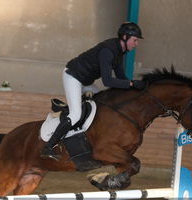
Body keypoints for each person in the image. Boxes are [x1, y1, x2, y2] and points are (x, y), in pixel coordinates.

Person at [41, 22, 147, 160]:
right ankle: (49, 146)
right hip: (73, 76)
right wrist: (131, 83)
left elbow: (121, 78)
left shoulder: (119, 53)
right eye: (135, 40)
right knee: (76, 114)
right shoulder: (108, 51)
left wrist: (135, 86)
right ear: (125, 37)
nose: (136, 44)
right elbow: (107, 81)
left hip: (86, 82)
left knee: (101, 107)